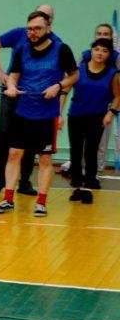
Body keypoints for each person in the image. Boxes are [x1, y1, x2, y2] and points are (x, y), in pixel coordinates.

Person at [0, 11, 78, 217]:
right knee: (13, 154)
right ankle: (8, 199)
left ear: (48, 29)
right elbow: (13, 77)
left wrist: (58, 86)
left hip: (47, 115)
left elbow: (75, 75)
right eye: (30, 28)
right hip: (22, 112)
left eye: (37, 28)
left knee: (45, 160)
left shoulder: (61, 49)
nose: (33, 32)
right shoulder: (22, 50)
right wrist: (11, 86)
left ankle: (41, 203)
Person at [0, 4, 56, 194]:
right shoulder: (19, 34)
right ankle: (0, 178)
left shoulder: (56, 43)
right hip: (11, 94)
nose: (43, 18)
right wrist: (0, 74)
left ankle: (25, 181)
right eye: (40, 14)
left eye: (47, 17)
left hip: (34, 99)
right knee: (3, 135)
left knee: (30, 141)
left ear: (50, 22)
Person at [66, 38, 119, 203]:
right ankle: (76, 187)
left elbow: (117, 96)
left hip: (97, 117)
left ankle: (88, 187)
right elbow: (65, 89)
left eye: (104, 50)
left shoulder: (112, 74)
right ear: (91, 52)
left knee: (91, 152)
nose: (100, 53)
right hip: (76, 115)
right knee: (75, 152)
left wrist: (110, 112)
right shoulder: (79, 70)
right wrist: (58, 113)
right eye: (97, 49)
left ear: (109, 55)